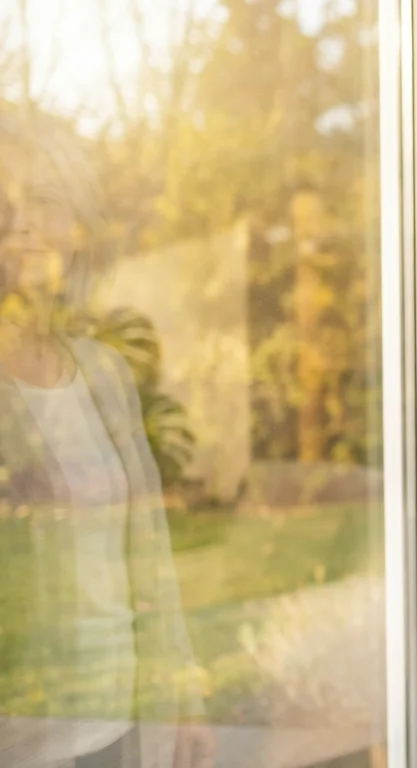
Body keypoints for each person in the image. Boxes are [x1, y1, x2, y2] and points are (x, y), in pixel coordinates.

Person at [0, 109, 214, 768]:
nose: (24, 222)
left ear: (74, 231)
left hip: (119, 722)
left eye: (43, 201)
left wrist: (182, 691)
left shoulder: (103, 373)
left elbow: (147, 550)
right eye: (4, 201)